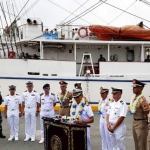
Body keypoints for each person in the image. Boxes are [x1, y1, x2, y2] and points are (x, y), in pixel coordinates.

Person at [130, 79, 149, 150]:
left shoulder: (142, 100)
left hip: (141, 123)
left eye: (135, 87)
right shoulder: (134, 98)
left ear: (140, 88)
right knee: (137, 144)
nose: (133, 89)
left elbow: (146, 111)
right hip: (135, 122)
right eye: (133, 87)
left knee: (141, 145)